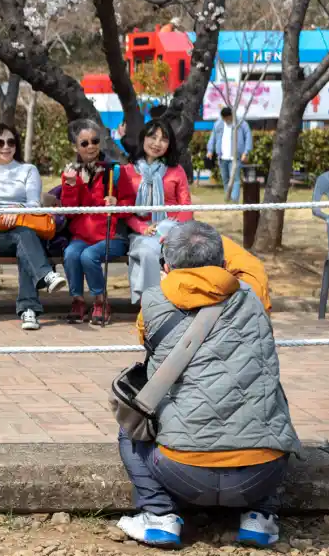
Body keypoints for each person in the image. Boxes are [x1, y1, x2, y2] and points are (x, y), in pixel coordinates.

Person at [117, 221, 300, 549]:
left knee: (129, 424)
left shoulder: (154, 302)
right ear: (222, 261)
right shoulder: (253, 293)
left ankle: (159, 516)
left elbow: (147, 342)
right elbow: (251, 264)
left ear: (167, 265)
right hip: (262, 473)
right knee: (273, 404)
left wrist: (173, 263)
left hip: (181, 472)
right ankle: (260, 516)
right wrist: (207, 240)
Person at [0, 123, 67, 331]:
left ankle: (29, 311)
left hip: (27, 226)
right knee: (25, 239)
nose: (5, 146)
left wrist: (16, 209)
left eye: (10, 142)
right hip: (1, 234)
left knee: (25, 239)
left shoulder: (28, 170)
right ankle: (45, 277)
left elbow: (34, 204)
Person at [117, 120, 193, 308]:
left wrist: (172, 232)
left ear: (169, 145)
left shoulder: (177, 170)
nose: (157, 143)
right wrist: (142, 228)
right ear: (143, 138)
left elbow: (186, 206)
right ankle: (153, 304)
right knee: (146, 251)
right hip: (143, 232)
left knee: (160, 251)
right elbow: (125, 210)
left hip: (173, 229)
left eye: (163, 139)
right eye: (153, 137)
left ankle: (157, 303)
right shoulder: (128, 171)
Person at [60, 119, 130, 326]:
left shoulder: (114, 170)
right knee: (72, 253)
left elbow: (130, 203)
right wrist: (71, 186)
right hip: (83, 235)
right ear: (76, 146)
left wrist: (117, 202)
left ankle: (101, 300)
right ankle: (78, 301)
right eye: (84, 143)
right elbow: (69, 213)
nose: (90, 146)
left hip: (112, 234)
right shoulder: (71, 173)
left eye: (94, 141)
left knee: (89, 256)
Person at [207, 106, 253, 203]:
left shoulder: (241, 123)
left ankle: (234, 200)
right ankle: (228, 198)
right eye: (224, 118)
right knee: (225, 179)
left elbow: (248, 136)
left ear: (232, 116)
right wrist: (210, 150)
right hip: (222, 157)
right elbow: (213, 138)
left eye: (228, 118)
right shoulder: (218, 124)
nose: (226, 120)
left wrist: (246, 152)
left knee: (235, 179)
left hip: (235, 157)